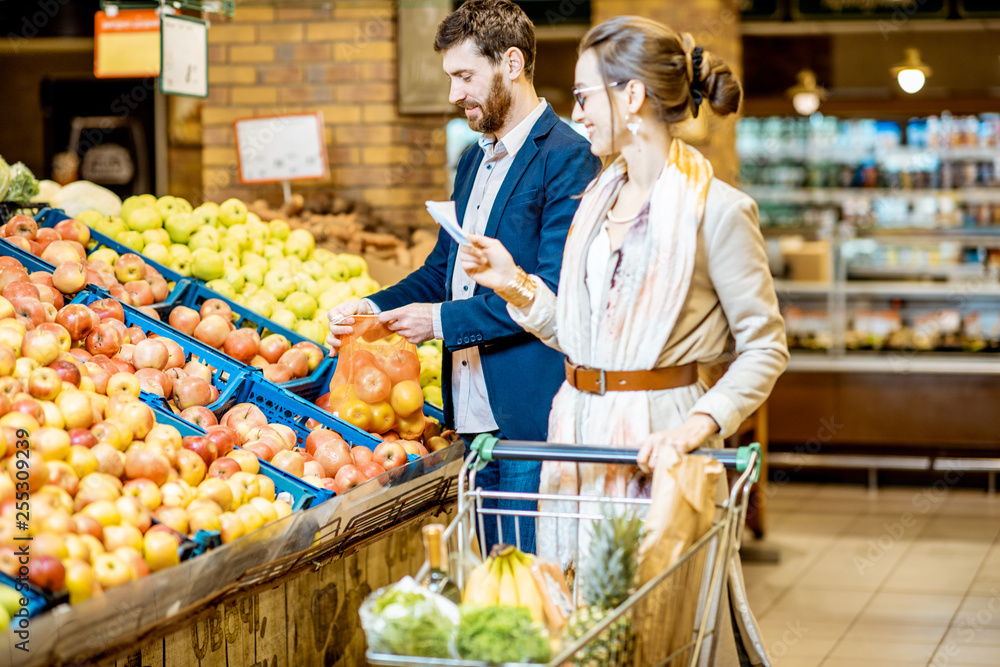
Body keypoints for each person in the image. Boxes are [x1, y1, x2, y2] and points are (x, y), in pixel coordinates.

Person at [458, 16, 788, 666]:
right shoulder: (593, 205)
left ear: (631, 97)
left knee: (651, 632)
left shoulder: (717, 212)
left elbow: (766, 346)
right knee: (575, 625)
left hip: (657, 445)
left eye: (585, 95)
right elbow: (581, 340)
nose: (575, 110)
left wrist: (695, 426)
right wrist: (515, 283)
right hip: (575, 434)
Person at [326, 0, 601, 553]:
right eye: (451, 77)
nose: (455, 95)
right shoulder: (473, 160)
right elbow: (441, 273)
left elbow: (552, 292)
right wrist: (371, 307)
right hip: (469, 420)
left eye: (465, 76)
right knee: (486, 585)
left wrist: (440, 322)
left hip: (530, 420)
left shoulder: (570, 156)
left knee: (525, 587)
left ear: (513, 64)